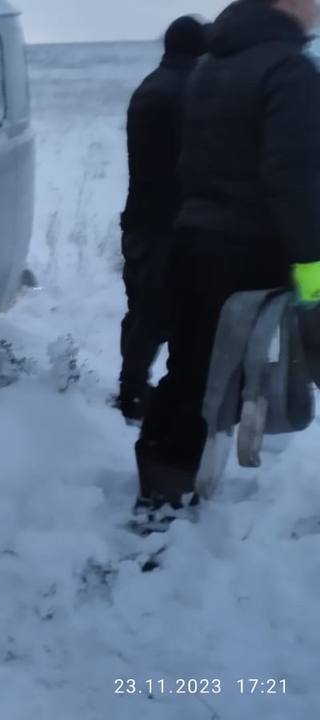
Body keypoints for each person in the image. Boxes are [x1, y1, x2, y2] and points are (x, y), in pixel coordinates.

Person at [136, 0, 320, 512]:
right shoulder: (289, 70)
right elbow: (295, 180)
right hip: (248, 254)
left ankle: (159, 485)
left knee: (189, 370)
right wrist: (314, 272)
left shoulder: (210, 63)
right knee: (209, 379)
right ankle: (165, 500)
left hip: (192, 240)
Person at [117, 16, 208, 423]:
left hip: (141, 219)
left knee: (142, 309)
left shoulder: (152, 85)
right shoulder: (189, 91)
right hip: (168, 223)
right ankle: (137, 395)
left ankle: (132, 389)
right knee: (161, 312)